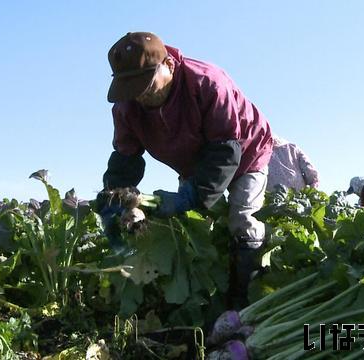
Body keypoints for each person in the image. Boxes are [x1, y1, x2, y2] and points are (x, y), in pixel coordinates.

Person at [99, 32, 273, 307]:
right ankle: (202, 299)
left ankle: (244, 301)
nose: (140, 95)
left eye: (145, 85)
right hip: (192, 161)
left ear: (168, 65)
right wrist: (117, 198)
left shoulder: (207, 83)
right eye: (132, 89)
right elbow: (125, 157)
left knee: (241, 219)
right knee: (193, 229)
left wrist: (191, 196)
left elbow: (226, 150)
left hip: (246, 151)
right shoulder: (127, 107)